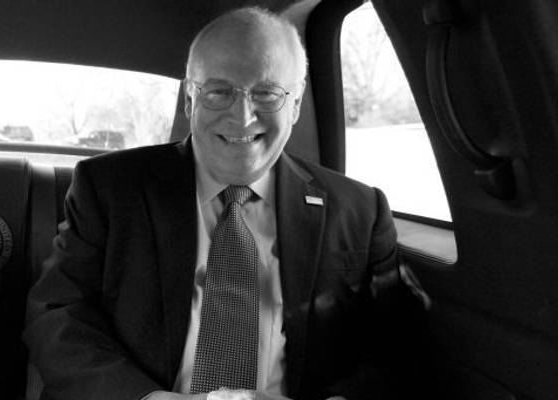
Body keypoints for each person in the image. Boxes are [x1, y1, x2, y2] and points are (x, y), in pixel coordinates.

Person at [24, 7, 417, 400]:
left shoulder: (360, 211)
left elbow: (392, 350)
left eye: (266, 92)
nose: (243, 116)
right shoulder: (109, 189)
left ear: (295, 104)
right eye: (219, 91)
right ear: (190, 99)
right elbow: (57, 313)